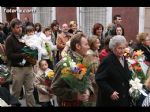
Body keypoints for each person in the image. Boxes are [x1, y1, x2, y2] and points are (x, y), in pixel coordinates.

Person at [51, 33, 95, 107]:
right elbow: (55, 88)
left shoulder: (81, 60)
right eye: (86, 44)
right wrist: (76, 95)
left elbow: (86, 79)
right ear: (78, 46)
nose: (88, 47)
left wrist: (88, 90)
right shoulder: (65, 64)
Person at [5, 18, 35, 107]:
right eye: (17, 27)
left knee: (30, 90)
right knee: (16, 92)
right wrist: (22, 55)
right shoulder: (9, 39)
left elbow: (30, 48)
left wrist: (33, 54)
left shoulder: (25, 37)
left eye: (21, 27)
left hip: (28, 67)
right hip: (17, 69)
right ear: (12, 28)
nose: (20, 29)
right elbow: (9, 55)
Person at [95, 35, 132, 106]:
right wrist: (110, 92)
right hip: (111, 100)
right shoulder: (107, 60)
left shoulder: (123, 58)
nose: (122, 51)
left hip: (123, 98)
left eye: (124, 48)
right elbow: (99, 78)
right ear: (113, 48)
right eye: (119, 48)